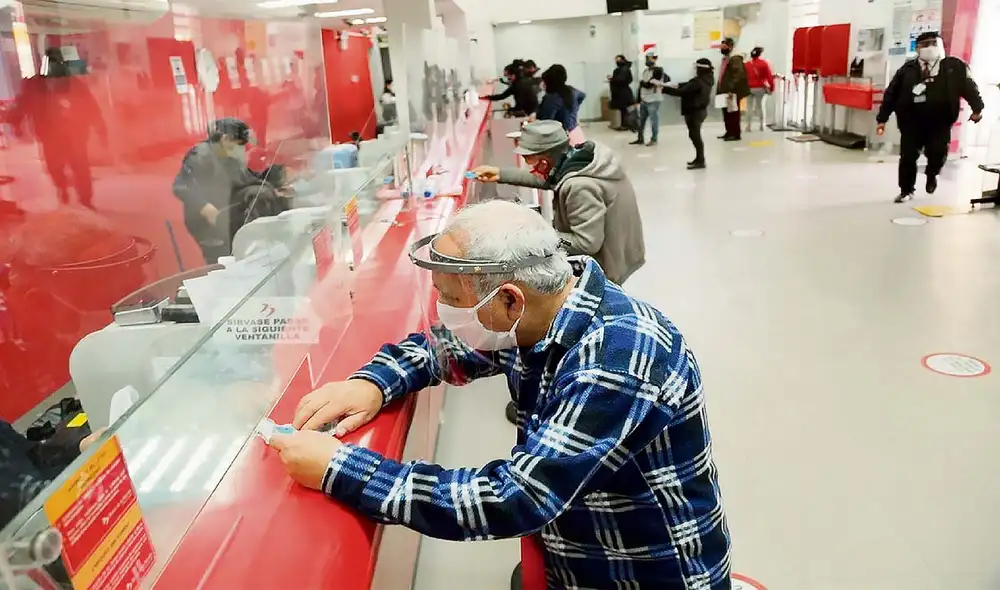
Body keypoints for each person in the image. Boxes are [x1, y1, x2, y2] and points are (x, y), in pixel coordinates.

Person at [269, 199, 731, 589]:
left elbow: (513, 499)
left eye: (451, 299)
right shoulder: (540, 311)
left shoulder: (618, 358)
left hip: (639, 571)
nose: (444, 313)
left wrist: (338, 467)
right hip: (575, 549)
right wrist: (370, 383)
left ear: (510, 298)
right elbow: (446, 351)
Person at [876, 31, 984, 203]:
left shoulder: (954, 66)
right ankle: (906, 190)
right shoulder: (907, 69)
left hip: (940, 122)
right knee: (908, 157)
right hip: (911, 122)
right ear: (917, 49)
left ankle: (932, 174)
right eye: (925, 45)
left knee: (937, 153)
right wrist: (882, 118)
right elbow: (891, 94)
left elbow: (970, 88)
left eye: (933, 43)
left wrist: (977, 109)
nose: (930, 48)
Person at [8, 47, 107, 209]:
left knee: (80, 166)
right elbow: (23, 103)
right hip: (49, 133)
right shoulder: (34, 84)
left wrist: (100, 127)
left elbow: (90, 105)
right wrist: (15, 122)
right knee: (54, 166)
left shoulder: (73, 83)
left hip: (75, 132)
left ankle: (85, 199)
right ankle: (61, 188)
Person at [172, 118, 259, 264]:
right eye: (240, 144)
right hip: (206, 222)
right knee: (220, 260)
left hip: (227, 215)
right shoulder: (200, 155)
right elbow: (180, 186)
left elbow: (246, 179)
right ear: (225, 139)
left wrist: (276, 177)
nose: (242, 149)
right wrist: (203, 206)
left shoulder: (229, 156)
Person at [662, 58, 716, 170]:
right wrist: (673, 85)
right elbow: (686, 85)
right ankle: (699, 158)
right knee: (694, 135)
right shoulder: (707, 79)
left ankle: (700, 160)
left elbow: (682, 91)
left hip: (694, 111)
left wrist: (665, 89)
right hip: (699, 110)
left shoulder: (698, 81)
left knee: (695, 135)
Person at [630, 50, 669, 146]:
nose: (647, 60)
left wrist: (643, 83)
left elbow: (649, 85)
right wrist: (638, 99)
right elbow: (643, 85)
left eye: (650, 58)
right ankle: (640, 138)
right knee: (641, 120)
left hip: (654, 100)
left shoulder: (658, 70)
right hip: (644, 99)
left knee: (653, 120)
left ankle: (654, 139)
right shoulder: (645, 71)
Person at [536, 64, 586, 134]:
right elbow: (582, 95)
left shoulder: (551, 98)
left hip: (559, 136)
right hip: (575, 132)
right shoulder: (572, 91)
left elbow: (545, 122)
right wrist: (574, 109)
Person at [718, 37, 750, 141]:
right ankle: (729, 132)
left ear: (730, 46)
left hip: (732, 91)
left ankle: (735, 134)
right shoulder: (727, 58)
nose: (722, 49)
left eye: (724, 47)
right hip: (725, 90)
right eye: (721, 47)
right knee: (727, 112)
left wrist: (731, 88)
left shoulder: (735, 58)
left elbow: (738, 74)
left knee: (733, 113)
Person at [744, 46, 775, 132]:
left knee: (749, 107)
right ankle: (762, 125)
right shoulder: (764, 63)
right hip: (760, 88)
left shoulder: (747, 64)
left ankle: (748, 126)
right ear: (760, 54)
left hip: (749, 88)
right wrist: (771, 88)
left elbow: (744, 77)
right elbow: (769, 77)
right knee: (760, 106)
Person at [608, 54, 635, 131]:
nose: (617, 62)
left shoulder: (625, 70)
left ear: (623, 60)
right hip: (619, 92)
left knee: (625, 109)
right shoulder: (617, 70)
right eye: (616, 60)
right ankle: (623, 124)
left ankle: (626, 125)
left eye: (619, 60)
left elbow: (624, 80)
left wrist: (613, 79)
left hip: (623, 93)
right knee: (622, 109)